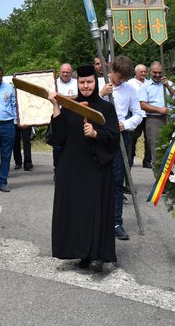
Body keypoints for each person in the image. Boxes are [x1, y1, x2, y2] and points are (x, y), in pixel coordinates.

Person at [48, 64, 120, 272]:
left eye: (89, 82)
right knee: (77, 211)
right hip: (72, 168)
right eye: (82, 82)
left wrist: (96, 134)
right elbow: (58, 138)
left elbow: (114, 137)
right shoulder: (70, 107)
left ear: (95, 83)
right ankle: (82, 252)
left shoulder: (106, 108)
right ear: (77, 83)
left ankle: (97, 255)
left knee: (95, 210)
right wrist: (56, 107)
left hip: (96, 168)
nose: (86, 86)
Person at [98, 55, 143, 241]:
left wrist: (126, 124)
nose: (122, 80)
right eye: (119, 77)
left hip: (120, 135)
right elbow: (86, 107)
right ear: (112, 71)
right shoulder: (99, 84)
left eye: (125, 78)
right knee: (98, 177)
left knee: (117, 180)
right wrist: (100, 95)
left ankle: (116, 222)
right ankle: (97, 219)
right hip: (99, 134)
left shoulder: (130, 89)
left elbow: (139, 114)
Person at [138, 61, 175, 170]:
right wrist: (159, 110)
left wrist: (167, 86)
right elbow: (142, 105)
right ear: (150, 72)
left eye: (160, 72)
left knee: (172, 149)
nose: (157, 75)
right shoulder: (145, 86)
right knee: (157, 151)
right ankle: (159, 178)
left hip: (170, 119)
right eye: (155, 72)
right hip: (154, 120)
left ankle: (171, 177)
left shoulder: (169, 83)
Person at [127, 64, 149, 168]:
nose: (143, 73)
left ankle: (147, 161)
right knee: (133, 138)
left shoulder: (149, 83)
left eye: (145, 71)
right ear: (136, 72)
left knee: (148, 139)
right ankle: (130, 158)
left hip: (147, 114)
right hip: (135, 114)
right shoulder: (130, 83)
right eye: (141, 72)